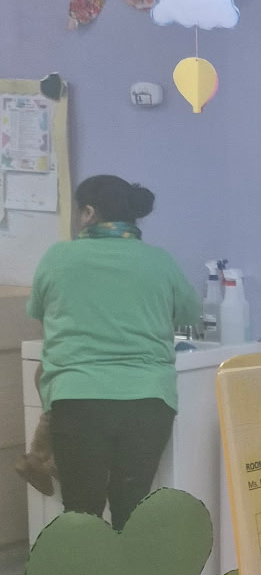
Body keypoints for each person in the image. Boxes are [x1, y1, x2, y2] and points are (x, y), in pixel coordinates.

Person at [27, 175, 202, 530]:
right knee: (132, 510)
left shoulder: (58, 257)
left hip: (77, 399)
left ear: (88, 213)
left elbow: (39, 312)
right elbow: (190, 315)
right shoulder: (159, 261)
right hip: (148, 401)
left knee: (80, 511)